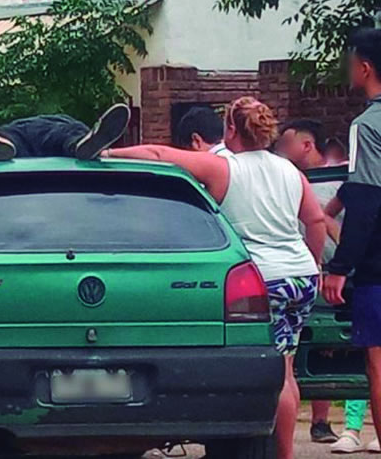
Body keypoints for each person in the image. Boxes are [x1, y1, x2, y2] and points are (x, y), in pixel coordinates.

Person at [101, 96, 326, 459]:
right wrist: (313, 265)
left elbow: (159, 155)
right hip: (299, 275)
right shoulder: (290, 171)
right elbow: (315, 221)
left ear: (231, 129)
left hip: (261, 278)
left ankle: (281, 454)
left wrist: (109, 154)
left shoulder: (224, 167)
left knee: (277, 378)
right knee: (287, 369)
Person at [322, 27, 381, 455]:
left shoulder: (366, 126)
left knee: (378, 362)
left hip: (378, 266)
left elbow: (365, 196)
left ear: (364, 68)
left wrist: (339, 266)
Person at [276, 119, 344, 444]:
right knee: (289, 356)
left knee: (324, 350)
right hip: (299, 275)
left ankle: (320, 421)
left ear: (307, 145)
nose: (282, 151)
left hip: (327, 275)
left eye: (288, 144)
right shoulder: (286, 181)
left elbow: (327, 221)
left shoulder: (334, 183)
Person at [0, 104, 131, 160]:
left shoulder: (16, 128)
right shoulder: (62, 123)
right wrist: (108, 154)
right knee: (68, 136)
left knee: (2, 136)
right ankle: (80, 145)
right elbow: (157, 152)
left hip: (17, 139)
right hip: (61, 133)